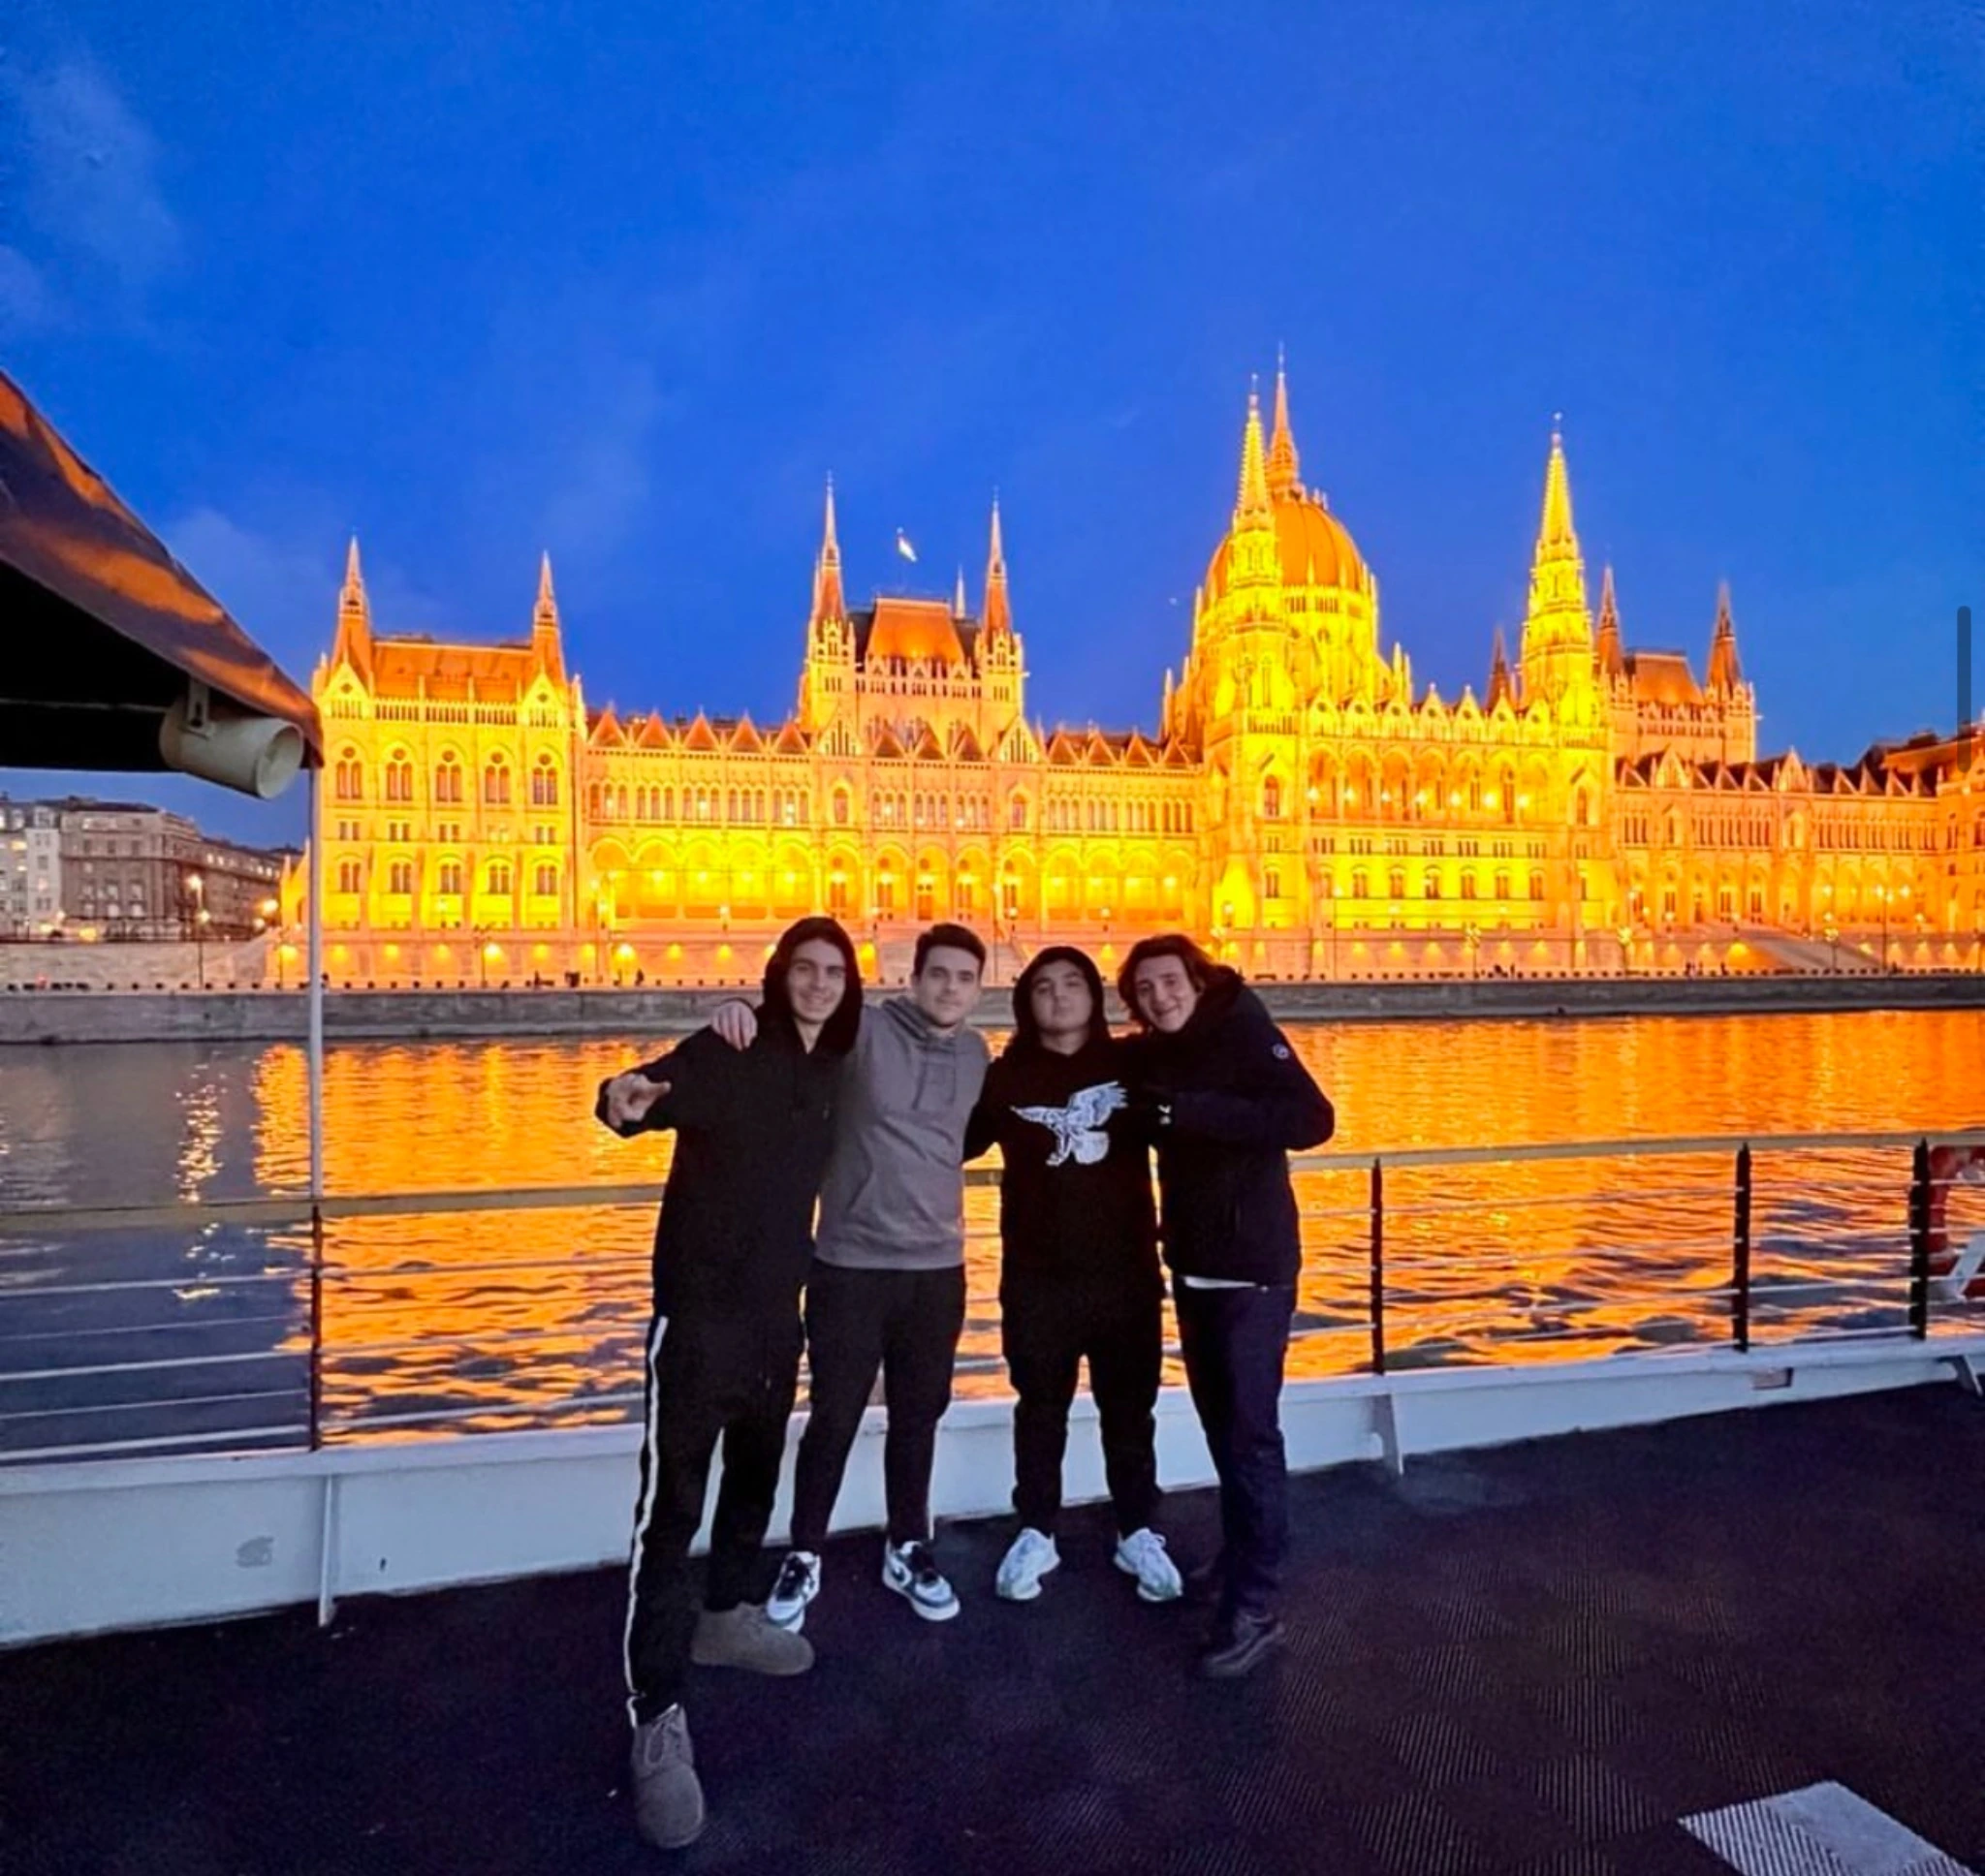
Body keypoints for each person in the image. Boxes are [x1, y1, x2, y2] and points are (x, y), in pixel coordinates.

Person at [595, 916, 861, 1851]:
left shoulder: (840, 1067)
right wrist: (622, 1097)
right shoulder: (729, 1041)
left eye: (836, 971)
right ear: (780, 974)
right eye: (807, 969)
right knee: (670, 1514)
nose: (821, 985)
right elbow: (637, 1096)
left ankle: (729, 1616)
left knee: (755, 1479)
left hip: (775, 1319)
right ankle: (656, 1713)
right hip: (699, 1319)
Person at [710, 923, 990, 1631]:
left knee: (918, 1417)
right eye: (938, 975)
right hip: (850, 1265)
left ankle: (909, 1544)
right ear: (912, 977)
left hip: (938, 1268)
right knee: (833, 1416)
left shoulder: (978, 1052)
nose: (950, 989)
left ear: (978, 989)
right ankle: (806, 1551)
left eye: (964, 978)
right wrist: (739, 1011)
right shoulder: (864, 1031)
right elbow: (798, 1019)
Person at [1119, 934, 1334, 1677]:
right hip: (1195, 1266)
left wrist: (1192, 1113)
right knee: (1221, 1428)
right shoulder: (1153, 1053)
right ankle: (1240, 1563)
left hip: (1254, 1271)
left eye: (1168, 982)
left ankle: (1258, 1607)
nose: (1159, 997)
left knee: (1250, 1438)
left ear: (1195, 980)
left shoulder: (1242, 1023)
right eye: (1144, 990)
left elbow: (1312, 1120)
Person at [964, 946, 1182, 1605]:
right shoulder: (1002, 1079)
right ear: (1026, 1004)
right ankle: (1036, 1527)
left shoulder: (1133, 1067)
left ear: (1094, 995)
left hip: (1126, 1274)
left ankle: (1137, 1527)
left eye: (1071, 984)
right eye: (1043, 988)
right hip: (1037, 1279)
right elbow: (942, 1139)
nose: (1058, 997)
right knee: (1039, 1410)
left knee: (1130, 1411)